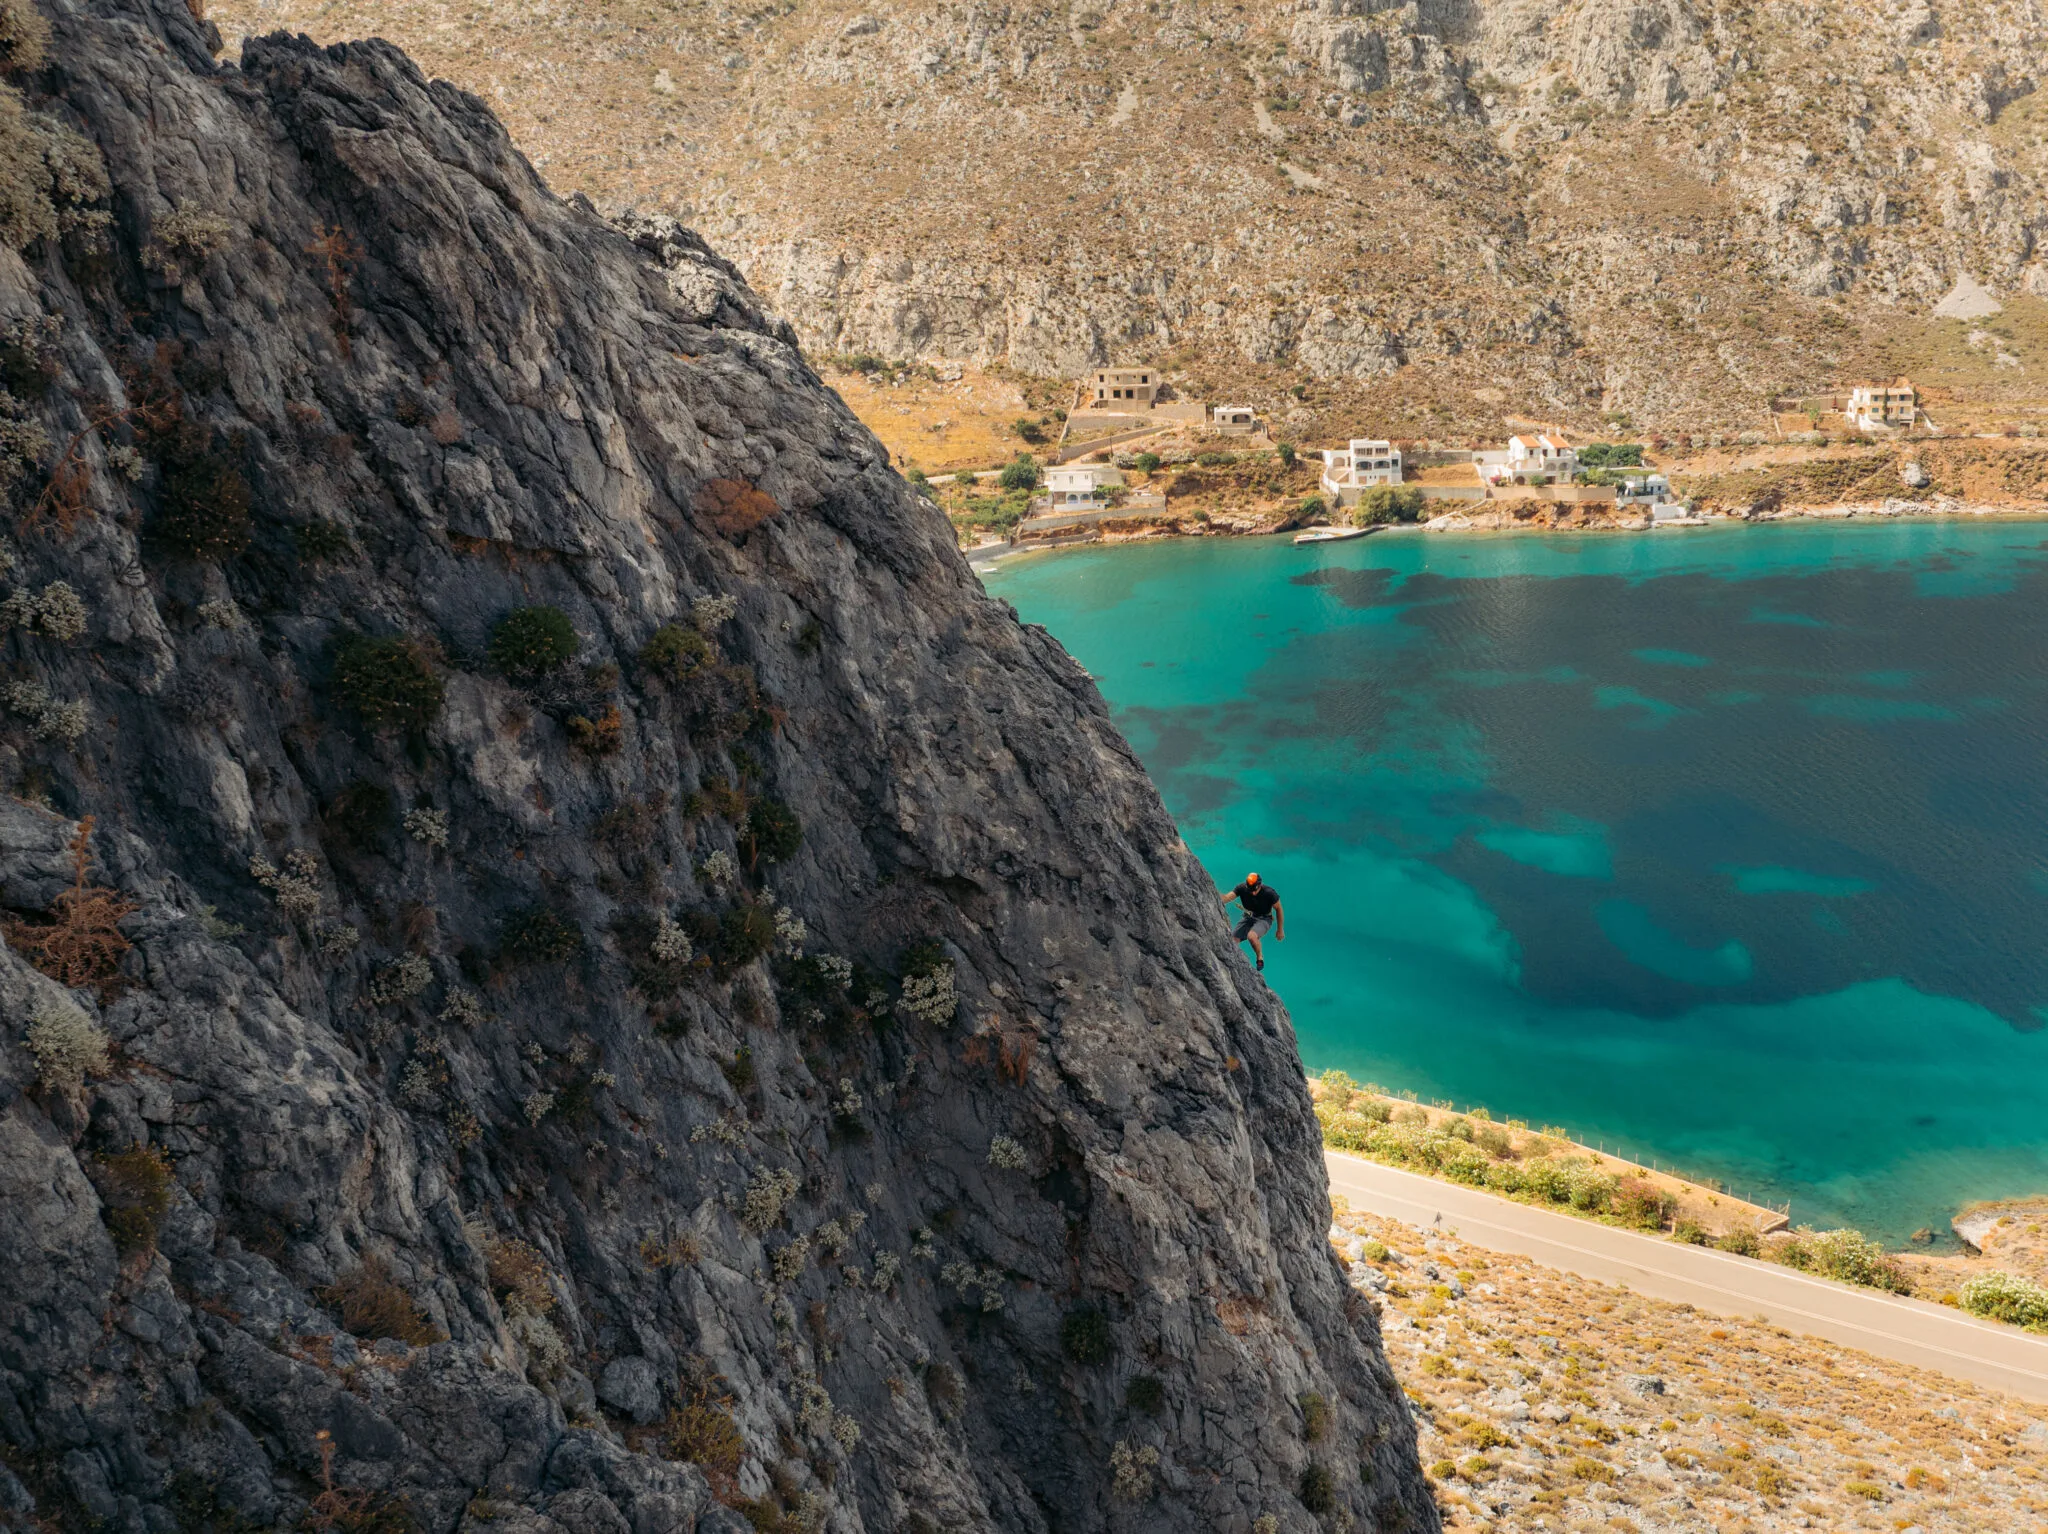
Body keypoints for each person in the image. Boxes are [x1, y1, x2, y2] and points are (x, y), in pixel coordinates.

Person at [1222, 871, 1284, 971]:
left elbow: (1279, 909)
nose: (1253, 893)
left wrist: (1280, 929)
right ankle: (1233, 961)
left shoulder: (1269, 893)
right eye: (1251, 891)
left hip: (1264, 919)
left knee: (1252, 936)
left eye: (1255, 890)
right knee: (1232, 941)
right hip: (1248, 917)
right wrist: (1214, 894)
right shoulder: (1242, 888)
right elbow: (1227, 898)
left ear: (1260, 885)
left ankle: (1259, 957)